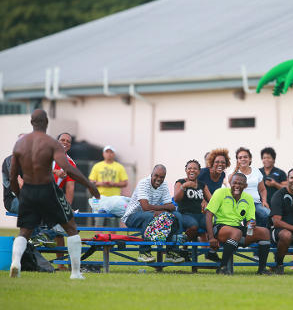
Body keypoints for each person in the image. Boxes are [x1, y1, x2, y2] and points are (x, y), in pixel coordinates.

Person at [9, 109, 100, 279]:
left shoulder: (20, 144)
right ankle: (75, 273)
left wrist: (20, 195)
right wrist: (89, 184)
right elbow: (67, 168)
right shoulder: (51, 143)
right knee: (71, 228)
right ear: (46, 123)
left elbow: (13, 176)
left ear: (31, 122)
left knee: (24, 231)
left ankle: (16, 263)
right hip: (47, 189)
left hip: (28, 190)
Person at [205, 173, 271, 275]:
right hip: (220, 227)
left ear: (245, 186)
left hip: (238, 229)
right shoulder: (220, 193)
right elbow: (209, 215)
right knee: (236, 233)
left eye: (240, 183)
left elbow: (250, 220)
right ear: (230, 183)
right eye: (234, 183)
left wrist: (251, 225)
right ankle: (222, 268)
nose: (237, 185)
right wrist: (211, 237)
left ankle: (262, 269)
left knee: (265, 232)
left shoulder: (248, 198)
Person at [122, 165, 183, 263]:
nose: (158, 179)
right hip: (132, 216)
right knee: (151, 216)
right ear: (151, 174)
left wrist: (159, 211)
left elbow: (171, 206)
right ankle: (144, 253)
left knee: (176, 215)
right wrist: (161, 211)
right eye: (156, 176)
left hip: (153, 215)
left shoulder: (163, 185)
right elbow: (145, 207)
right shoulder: (143, 183)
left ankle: (171, 253)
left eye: (162, 177)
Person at [51, 132, 77, 271]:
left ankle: (61, 265)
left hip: (54, 201)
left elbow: (70, 187)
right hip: (37, 196)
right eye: (62, 139)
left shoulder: (70, 163)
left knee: (61, 230)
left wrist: (67, 207)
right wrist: (55, 173)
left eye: (68, 141)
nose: (65, 142)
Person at [228, 147, 270, 227]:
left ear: (250, 159)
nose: (243, 159)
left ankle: (262, 234)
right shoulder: (234, 171)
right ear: (237, 160)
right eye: (240, 158)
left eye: (245, 157)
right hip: (241, 203)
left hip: (256, 203)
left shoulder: (256, 171)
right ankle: (248, 236)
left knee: (267, 214)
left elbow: (262, 189)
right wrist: (236, 169)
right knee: (248, 224)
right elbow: (229, 183)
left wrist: (264, 201)